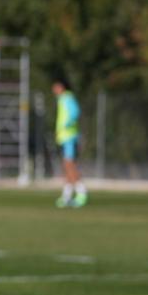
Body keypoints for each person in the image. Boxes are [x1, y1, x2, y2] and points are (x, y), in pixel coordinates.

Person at [52, 77, 87, 207]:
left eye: (56, 86)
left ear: (61, 87)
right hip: (64, 137)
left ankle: (82, 193)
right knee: (66, 166)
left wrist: (64, 126)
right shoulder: (62, 99)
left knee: (69, 165)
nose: (54, 89)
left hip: (69, 136)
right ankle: (66, 195)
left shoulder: (67, 98)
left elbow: (75, 112)